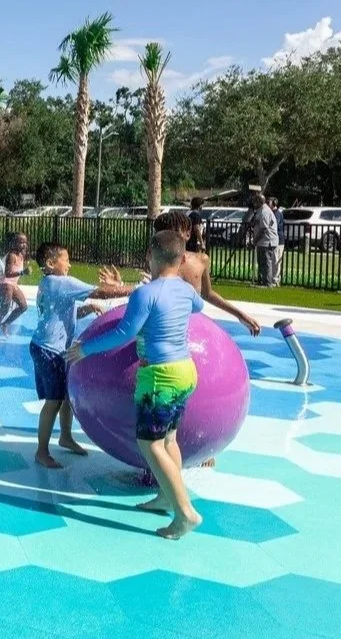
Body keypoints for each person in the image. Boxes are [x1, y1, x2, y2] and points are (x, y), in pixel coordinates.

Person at [68, 231, 205, 540]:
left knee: (150, 444)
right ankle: (166, 497)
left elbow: (124, 333)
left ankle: (185, 513)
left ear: (149, 256)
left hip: (159, 377)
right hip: (186, 372)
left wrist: (85, 349)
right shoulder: (184, 289)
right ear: (183, 259)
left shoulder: (146, 294)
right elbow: (199, 307)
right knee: (169, 440)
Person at [31, 242, 135, 469]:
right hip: (50, 350)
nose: (69, 263)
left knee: (66, 394)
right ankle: (41, 451)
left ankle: (65, 437)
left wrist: (87, 309)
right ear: (51, 263)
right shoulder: (61, 282)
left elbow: (59, 312)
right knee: (53, 401)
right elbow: (103, 291)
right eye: (65, 259)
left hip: (46, 346)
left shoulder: (48, 283)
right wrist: (135, 289)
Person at [154, 211, 261, 336]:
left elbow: (208, 294)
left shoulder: (201, 260)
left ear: (188, 234)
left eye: (173, 232)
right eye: (163, 233)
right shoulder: (155, 260)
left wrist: (241, 315)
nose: (168, 237)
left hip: (190, 325)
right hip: (162, 325)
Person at [0, 233, 30, 343]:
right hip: (5, 284)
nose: (23, 245)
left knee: (23, 306)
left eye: (25, 242)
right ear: (15, 243)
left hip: (12, 285)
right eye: (21, 242)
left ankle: (5, 324)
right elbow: (7, 273)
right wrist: (23, 272)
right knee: (4, 309)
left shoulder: (21, 255)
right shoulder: (11, 255)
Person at [247, 194, 278, 287]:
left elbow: (264, 229)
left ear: (259, 202)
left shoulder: (264, 211)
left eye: (255, 201)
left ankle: (267, 283)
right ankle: (261, 281)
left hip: (267, 241)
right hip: (262, 241)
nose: (253, 203)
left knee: (266, 262)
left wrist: (254, 241)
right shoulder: (260, 211)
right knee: (261, 262)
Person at [269, 198, 286, 286]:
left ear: (274, 204)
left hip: (279, 240)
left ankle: (275, 280)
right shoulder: (273, 213)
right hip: (274, 240)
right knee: (273, 260)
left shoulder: (277, 214)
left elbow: (273, 224)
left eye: (270, 203)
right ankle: (272, 278)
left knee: (276, 260)